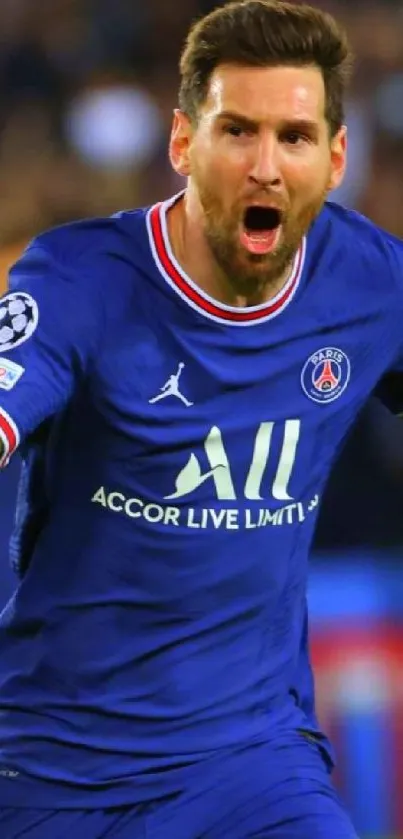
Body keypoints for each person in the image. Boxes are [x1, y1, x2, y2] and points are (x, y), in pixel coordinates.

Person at [1, 0, 403, 835]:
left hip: (251, 764)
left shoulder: (370, 283)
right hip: (48, 768)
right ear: (183, 142)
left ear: (334, 159)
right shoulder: (80, 280)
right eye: (236, 130)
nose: (264, 165)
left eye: (292, 137)